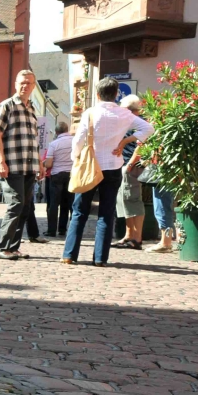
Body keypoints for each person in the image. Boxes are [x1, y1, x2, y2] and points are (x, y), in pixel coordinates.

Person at [62, 77, 154, 266]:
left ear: (97, 94)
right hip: (113, 166)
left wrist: (75, 158)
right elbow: (148, 128)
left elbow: (78, 140)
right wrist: (124, 142)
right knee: (106, 212)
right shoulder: (124, 114)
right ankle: (100, 258)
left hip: (90, 166)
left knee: (80, 211)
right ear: (116, 94)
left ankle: (70, 255)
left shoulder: (90, 112)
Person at [0, 70, 42, 261]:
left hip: (29, 165)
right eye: (22, 82)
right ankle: (1, 246)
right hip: (12, 164)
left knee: (25, 207)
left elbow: (33, 140)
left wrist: (41, 164)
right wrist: (0, 161)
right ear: (15, 84)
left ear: (34, 86)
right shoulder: (7, 106)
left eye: (29, 83)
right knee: (15, 204)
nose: (25, 86)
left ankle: (13, 247)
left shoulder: (32, 109)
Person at [112, 94, 148, 251]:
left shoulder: (139, 123)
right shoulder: (129, 122)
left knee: (132, 200)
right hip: (124, 164)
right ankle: (128, 235)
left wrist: (131, 164)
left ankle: (137, 238)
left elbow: (141, 145)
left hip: (131, 165)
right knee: (124, 201)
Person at [42, 121, 74, 237]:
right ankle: (63, 229)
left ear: (56, 132)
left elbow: (49, 164)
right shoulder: (75, 141)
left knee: (54, 204)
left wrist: (44, 163)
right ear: (67, 129)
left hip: (57, 175)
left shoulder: (54, 144)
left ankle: (51, 230)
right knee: (68, 203)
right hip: (71, 175)